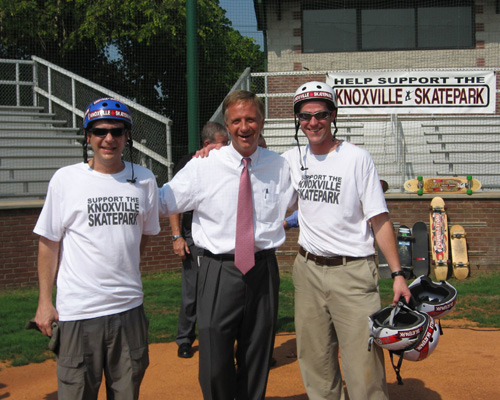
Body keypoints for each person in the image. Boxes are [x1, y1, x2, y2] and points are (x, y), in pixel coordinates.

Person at [158, 90, 296, 400]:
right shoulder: (204, 165)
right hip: (218, 269)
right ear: (227, 124)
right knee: (214, 356)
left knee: (257, 353)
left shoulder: (280, 166)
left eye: (251, 119)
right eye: (236, 121)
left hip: (263, 269)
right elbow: (165, 201)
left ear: (262, 122)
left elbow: (303, 203)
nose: (244, 127)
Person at [281, 81, 411, 400]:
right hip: (308, 271)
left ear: (333, 115)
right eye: (305, 116)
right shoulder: (291, 159)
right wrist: (215, 150)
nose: (313, 122)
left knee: (363, 365)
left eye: (321, 114)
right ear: (297, 119)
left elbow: (379, 219)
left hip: (352, 272)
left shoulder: (357, 158)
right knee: (316, 363)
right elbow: (262, 184)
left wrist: (397, 274)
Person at [33, 98, 160, 400]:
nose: (109, 139)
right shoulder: (65, 179)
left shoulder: (144, 180)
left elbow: (143, 235)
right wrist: (44, 302)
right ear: (88, 136)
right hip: (78, 312)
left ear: (127, 137)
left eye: (117, 131)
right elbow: (49, 243)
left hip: (128, 310)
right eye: (100, 131)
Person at [170, 121, 229, 359]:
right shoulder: (190, 163)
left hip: (217, 237)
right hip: (192, 237)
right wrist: (177, 237)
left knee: (219, 292)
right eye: (223, 143)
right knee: (192, 291)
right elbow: (173, 201)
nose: (227, 147)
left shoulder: (228, 162)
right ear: (207, 143)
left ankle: (213, 337)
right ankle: (185, 339)